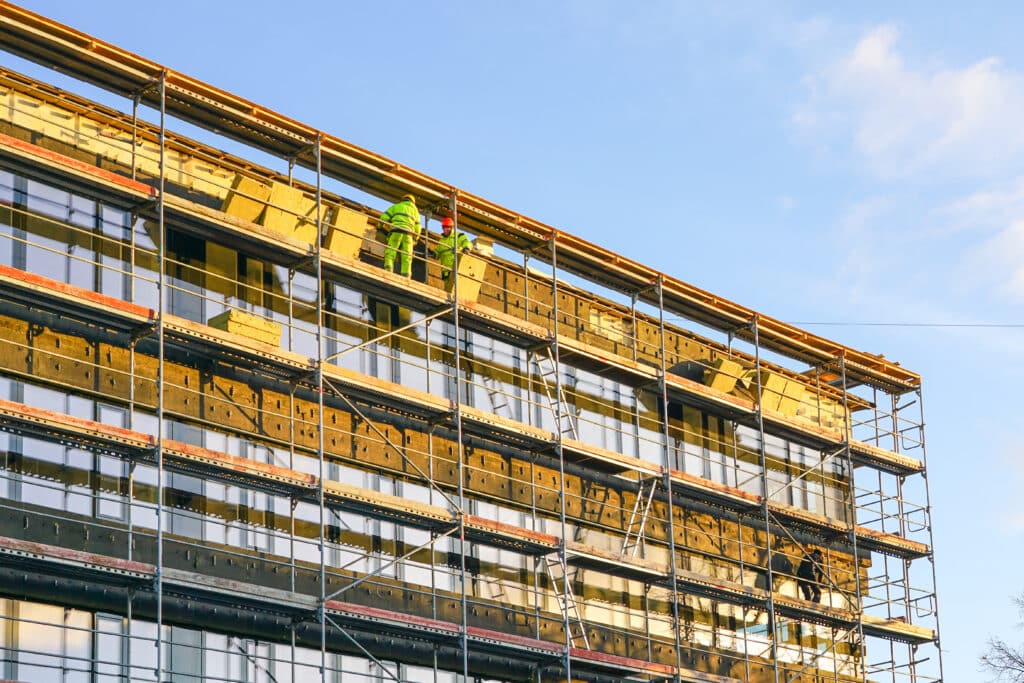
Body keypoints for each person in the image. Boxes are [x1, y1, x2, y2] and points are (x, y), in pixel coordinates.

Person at [380, 194, 421, 277]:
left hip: (396, 231)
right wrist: (415, 239)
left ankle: (388, 269)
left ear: (403, 199)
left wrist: (379, 226)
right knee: (407, 255)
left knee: (391, 251)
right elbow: (418, 227)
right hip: (408, 235)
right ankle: (406, 274)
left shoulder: (396, 206)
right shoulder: (415, 211)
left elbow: (384, 217)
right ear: (413, 202)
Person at [432, 216, 472, 282]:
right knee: (447, 289)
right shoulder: (442, 241)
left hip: (456, 267)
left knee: (456, 287)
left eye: (448, 227)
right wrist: (432, 253)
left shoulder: (458, 236)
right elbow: (438, 253)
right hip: (446, 271)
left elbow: (466, 242)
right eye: (444, 227)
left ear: (452, 227)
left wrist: (466, 248)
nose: (446, 229)